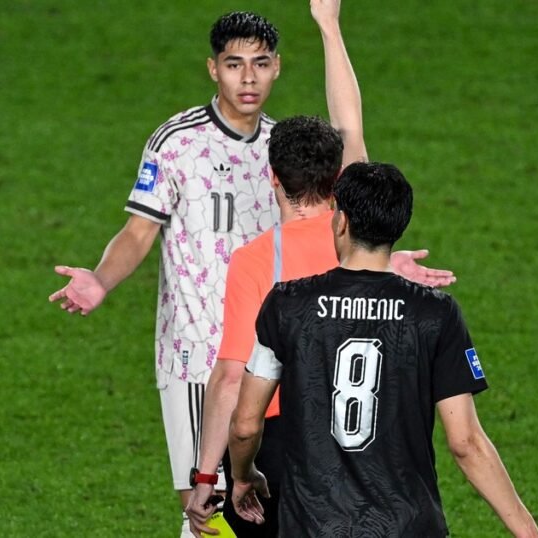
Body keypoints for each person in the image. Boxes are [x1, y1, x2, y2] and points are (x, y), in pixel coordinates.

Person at [48, 8, 450, 536]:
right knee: (210, 510)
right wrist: (102, 279)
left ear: (277, 67)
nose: (248, 78)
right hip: (199, 355)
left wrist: (379, 257)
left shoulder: (288, 147)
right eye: (234, 64)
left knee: (245, 508)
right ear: (213, 68)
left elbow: (339, 198)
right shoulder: (177, 142)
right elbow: (139, 231)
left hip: (278, 358)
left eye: (260, 63)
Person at [186, 2, 454, 536]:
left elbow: (232, 378)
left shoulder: (256, 260)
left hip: (285, 442)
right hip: (371, 434)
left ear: (272, 177)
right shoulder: (356, 233)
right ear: (338, 179)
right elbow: (349, 124)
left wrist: (207, 475)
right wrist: (329, 26)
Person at [227, 163, 538, 537]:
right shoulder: (435, 313)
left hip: (314, 527)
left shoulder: (287, 305)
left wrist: (243, 475)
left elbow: (246, 425)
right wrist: (529, 533)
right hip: (408, 527)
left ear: (341, 222)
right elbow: (466, 443)